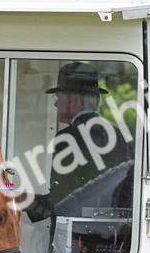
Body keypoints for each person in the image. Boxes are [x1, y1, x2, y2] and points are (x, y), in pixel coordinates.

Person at [46, 61, 133, 213]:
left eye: (57, 97)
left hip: (76, 230)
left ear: (71, 99)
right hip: (115, 228)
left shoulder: (66, 139)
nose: (56, 104)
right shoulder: (120, 135)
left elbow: (61, 198)